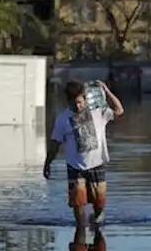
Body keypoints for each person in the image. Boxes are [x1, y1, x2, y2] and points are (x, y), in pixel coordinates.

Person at [43, 79, 124, 227]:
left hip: (97, 163)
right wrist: (47, 163)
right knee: (78, 203)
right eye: (74, 103)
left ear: (85, 99)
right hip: (75, 166)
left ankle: (98, 221)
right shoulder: (63, 119)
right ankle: (80, 229)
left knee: (99, 202)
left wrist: (106, 90)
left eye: (80, 102)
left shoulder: (98, 112)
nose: (78, 106)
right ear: (68, 101)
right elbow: (55, 144)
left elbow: (119, 110)